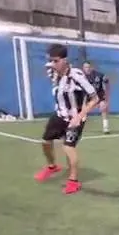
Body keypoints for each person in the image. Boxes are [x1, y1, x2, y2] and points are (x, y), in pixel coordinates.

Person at [35, 44, 98, 194]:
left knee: (68, 147)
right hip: (59, 115)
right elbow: (50, 71)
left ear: (65, 60)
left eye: (56, 61)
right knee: (45, 142)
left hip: (75, 118)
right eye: (50, 61)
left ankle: (73, 181)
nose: (52, 64)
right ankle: (52, 167)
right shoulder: (53, 72)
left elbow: (94, 98)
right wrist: (51, 66)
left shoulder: (77, 76)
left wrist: (79, 117)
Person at [80, 60, 111, 134]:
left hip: (99, 96)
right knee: (83, 111)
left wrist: (106, 98)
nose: (87, 69)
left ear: (92, 67)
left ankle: (105, 127)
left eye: (88, 67)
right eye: (85, 67)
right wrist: (83, 103)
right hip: (89, 98)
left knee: (103, 107)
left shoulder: (98, 75)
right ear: (83, 68)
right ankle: (80, 127)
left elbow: (107, 82)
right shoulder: (81, 77)